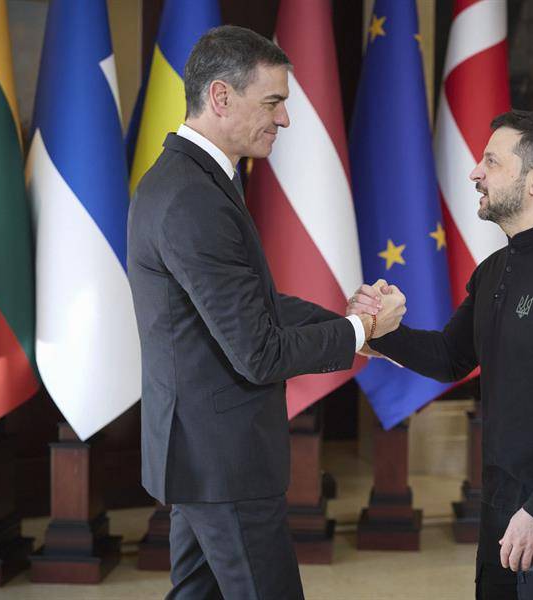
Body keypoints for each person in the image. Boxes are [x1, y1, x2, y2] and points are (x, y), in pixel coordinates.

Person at [127, 26, 404, 600]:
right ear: (222, 97)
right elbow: (257, 352)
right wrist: (358, 332)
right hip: (223, 462)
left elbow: (254, 303)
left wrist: (347, 324)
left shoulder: (195, 180)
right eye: (274, 102)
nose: (285, 120)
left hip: (203, 456)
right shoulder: (192, 197)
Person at [351, 110, 533, 600]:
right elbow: (449, 357)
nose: (474, 172)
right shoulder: (496, 267)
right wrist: (374, 331)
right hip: (503, 499)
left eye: (491, 161)